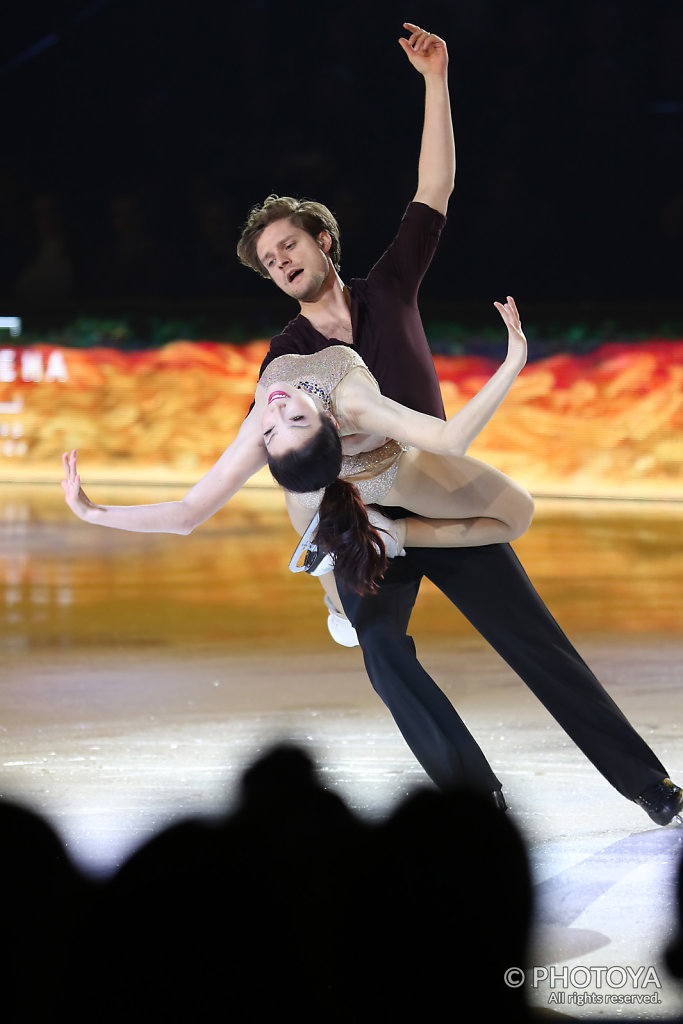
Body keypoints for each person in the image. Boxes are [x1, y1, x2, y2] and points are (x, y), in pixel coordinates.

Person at [62, 24, 681, 826]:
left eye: (289, 245)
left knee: (538, 647)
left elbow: (436, 187)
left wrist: (436, 79)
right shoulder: (286, 360)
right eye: (269, 260)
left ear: (321, 240)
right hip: (363, 521)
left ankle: (650, 787)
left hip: (435, 494)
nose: (281, 261)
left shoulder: (387, 286)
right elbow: (213, 494)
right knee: (385, 653)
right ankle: (476, 803)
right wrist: (98, 510)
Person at [253, 294, 534, 595]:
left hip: (308, 498)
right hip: (376, 477)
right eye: (295, 420)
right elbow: (452, 439)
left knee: (341, 609)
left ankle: (341, 604)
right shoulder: (354, 404)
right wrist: (513, 363)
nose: (277, 412)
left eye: (270, 431)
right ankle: (389, 534)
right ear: (331, 424)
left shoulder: (265, 409)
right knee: (517, 514)